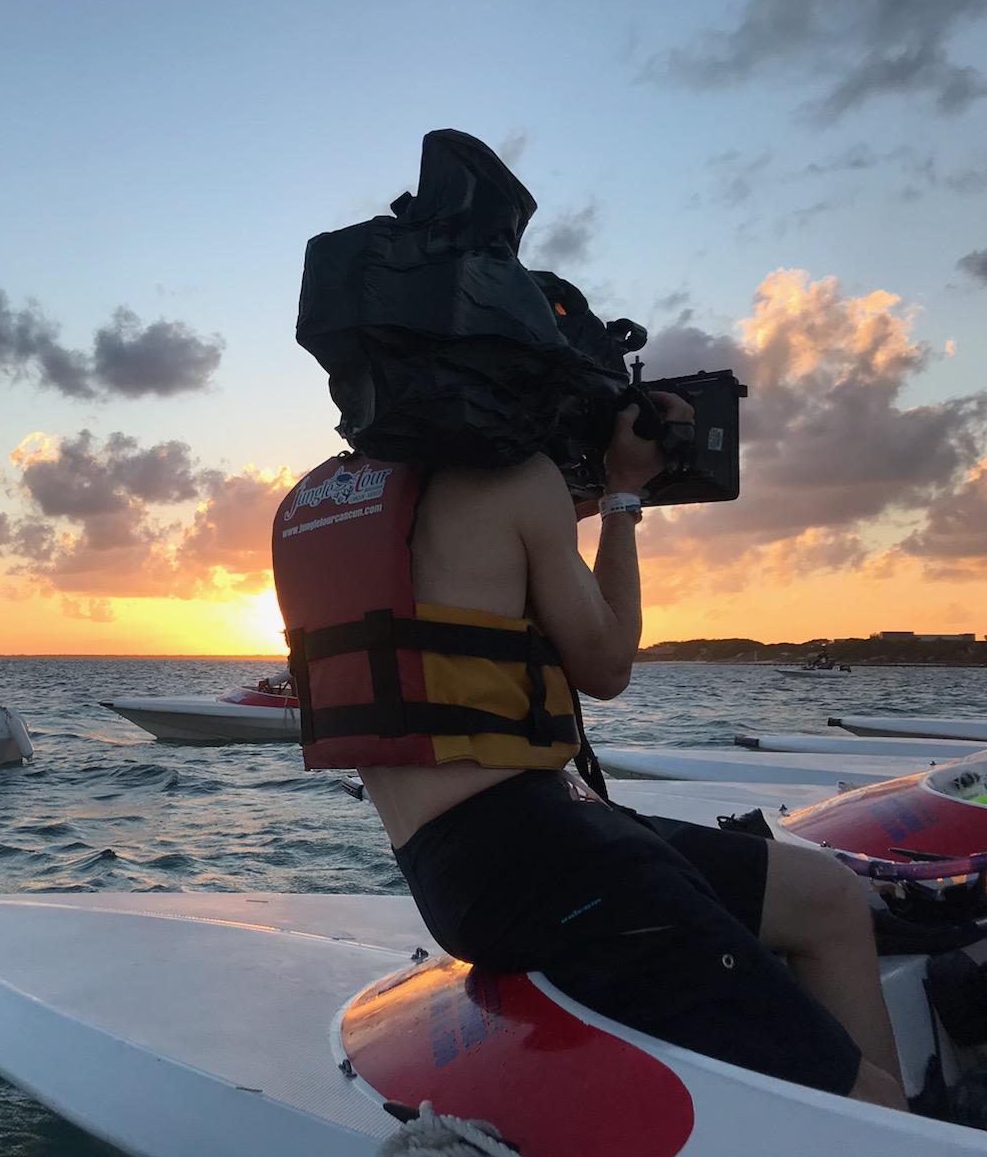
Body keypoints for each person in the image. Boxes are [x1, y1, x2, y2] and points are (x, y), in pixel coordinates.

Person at [272, 395, 908, 1111]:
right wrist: (623, 496)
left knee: (825, 898)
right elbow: (606, 668)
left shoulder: (310, 506)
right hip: (555, 867)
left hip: (455, 880)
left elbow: (452, 577)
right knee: (868, 1097)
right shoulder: (517, 481)